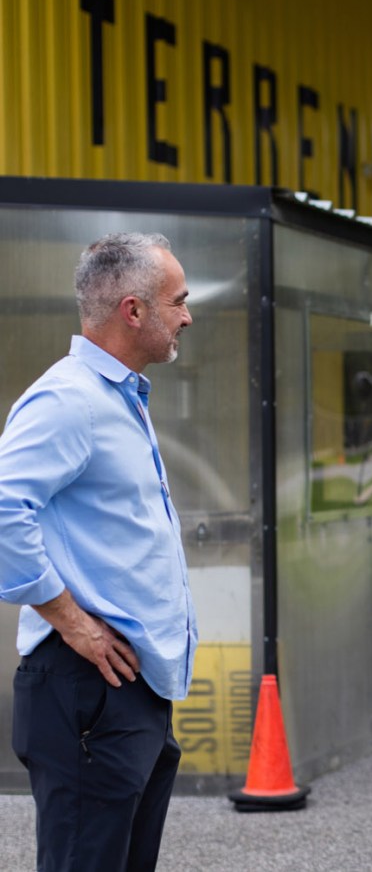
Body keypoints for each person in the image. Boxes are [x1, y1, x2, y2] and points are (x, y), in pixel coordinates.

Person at [0, 233, 198, 871]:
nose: (188, 316)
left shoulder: (120, 396)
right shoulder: (70, 400)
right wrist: (71, 619)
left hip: (128, 691)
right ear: (133, 311)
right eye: (179, 301)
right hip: (88, 687)